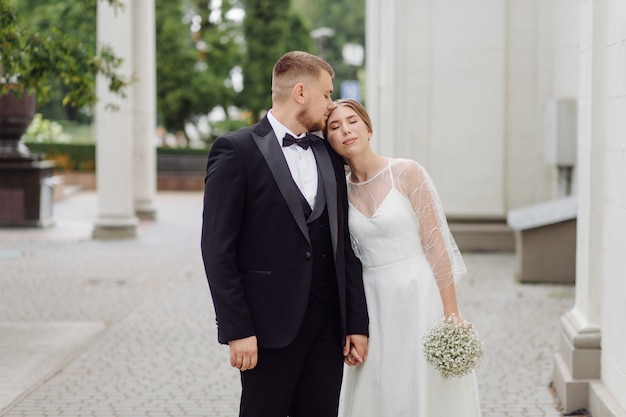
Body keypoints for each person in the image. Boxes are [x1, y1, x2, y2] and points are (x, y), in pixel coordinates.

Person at [200, 52, 369, 417]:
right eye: (326, 95)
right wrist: (237, 329)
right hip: (267, 330)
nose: (330, 104)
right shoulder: (235, 150)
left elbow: (344, 246)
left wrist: (356, 323)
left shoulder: (327, 152)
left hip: (328, 331)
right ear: (300, 92)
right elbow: (217, 250)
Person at [324, 99, 482, 417]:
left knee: (421, 381)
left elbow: (436, 244)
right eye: (334, 126)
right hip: (372, 300)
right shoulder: (338, 191)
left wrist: (451, 312)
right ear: (328, 140)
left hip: (418, 292)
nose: (345, 130)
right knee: (381, 383)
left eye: (352, 121)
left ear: (368, 128)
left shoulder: (406, 172)